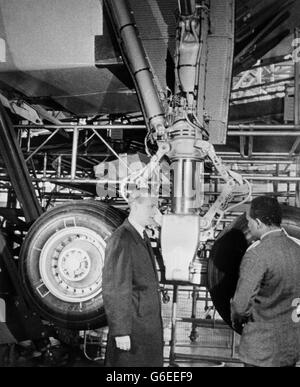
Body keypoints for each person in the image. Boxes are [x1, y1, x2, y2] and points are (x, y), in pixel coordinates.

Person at [231, 196, 300, 367]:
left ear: (259, 223)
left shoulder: (257, 255)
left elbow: (240, 307)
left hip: (261, 352)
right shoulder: (297, 250)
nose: (248, 226)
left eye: (249, 221)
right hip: (289, 349)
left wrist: (238, 319)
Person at [102, 187, 164, 367]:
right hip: (133, 330)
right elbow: (115, 287)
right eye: (151, 206)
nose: (155, 212)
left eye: (156, 207)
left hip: (145, 327)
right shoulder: (122, 238)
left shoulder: (141, 235)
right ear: (135, 207)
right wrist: (121, 331)